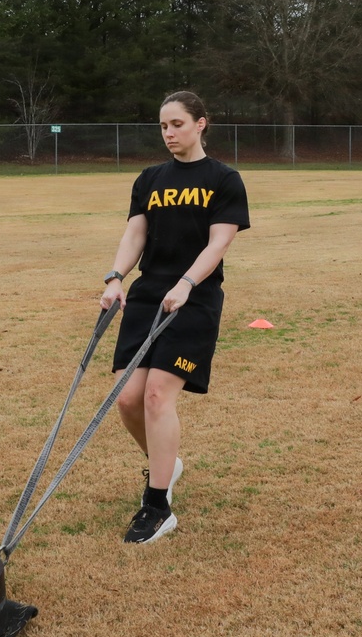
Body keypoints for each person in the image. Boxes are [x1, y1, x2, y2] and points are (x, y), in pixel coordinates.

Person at [99, 91, 249, 544]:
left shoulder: (224, 179)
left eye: (177, 124)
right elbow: (135, 232)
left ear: (201, 124)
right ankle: (168, 462)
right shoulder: (150, 178)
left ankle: (157, 505)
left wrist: (186, 283)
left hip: (194, 297)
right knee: (127, 400)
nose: (169, 133)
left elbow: (219, 242)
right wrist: (114, 277)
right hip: (147, 296)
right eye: (163, 126)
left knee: (158, 397)